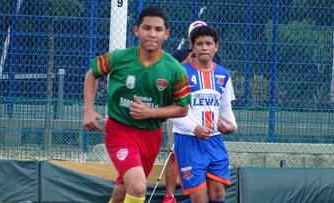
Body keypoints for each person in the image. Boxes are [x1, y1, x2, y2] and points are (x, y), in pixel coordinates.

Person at [82, 7, 192, 203]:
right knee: (138, 186)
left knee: (124, 190)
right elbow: (92, 74)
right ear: (136, 30)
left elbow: (183, 108)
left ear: (166, 34)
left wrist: (150, 112)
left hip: (151, 136)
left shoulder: (175, 70)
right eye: (146, 28)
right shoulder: (118, 57)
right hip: (120, 131)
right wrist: (89, 110)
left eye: (158, 29)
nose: (151, 34)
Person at [170, 25, 237, 203]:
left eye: (209, 43)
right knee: (199, 198)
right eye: (199, 43)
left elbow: (225, 108)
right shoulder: (180, 73)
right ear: (192, 46)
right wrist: (194, 128)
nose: (204, 47)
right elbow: (171, 110)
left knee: (217, 194)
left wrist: (232, 126)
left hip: (214, 140)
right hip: (188, 140)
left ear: (217, 47)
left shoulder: (223, 74)